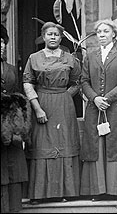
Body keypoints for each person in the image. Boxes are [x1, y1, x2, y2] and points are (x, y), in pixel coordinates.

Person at [80, 19, 117, 200]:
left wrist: (107, 98)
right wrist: (95, 98)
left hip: (116, 108)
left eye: (105, 32)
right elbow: (84, 81)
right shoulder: (90, 56)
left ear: (114, 34)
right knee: (96, 146)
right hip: (95, 108)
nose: (102, 35)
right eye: (99, 32)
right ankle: (98, 190)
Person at [23, 22, 81, 203]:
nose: (53, 37)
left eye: (56, 34)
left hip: (64, 105)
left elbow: (77, 81)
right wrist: (37, 108)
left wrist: (64, 97)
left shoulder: (70, 59)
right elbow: (27, 82)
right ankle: (40, 194)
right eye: (49, 34)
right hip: (42, 103)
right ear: (44, 36)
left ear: (61, 37)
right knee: (43, 144)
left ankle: (67, 192)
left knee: (64, 141)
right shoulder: (34, 58)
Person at [1, 24, 31, 212]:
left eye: (3, 42)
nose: (1, 46)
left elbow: (19, 96)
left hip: (10, 127)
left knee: (12, 168)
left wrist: (19, 125)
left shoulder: (11, 69)